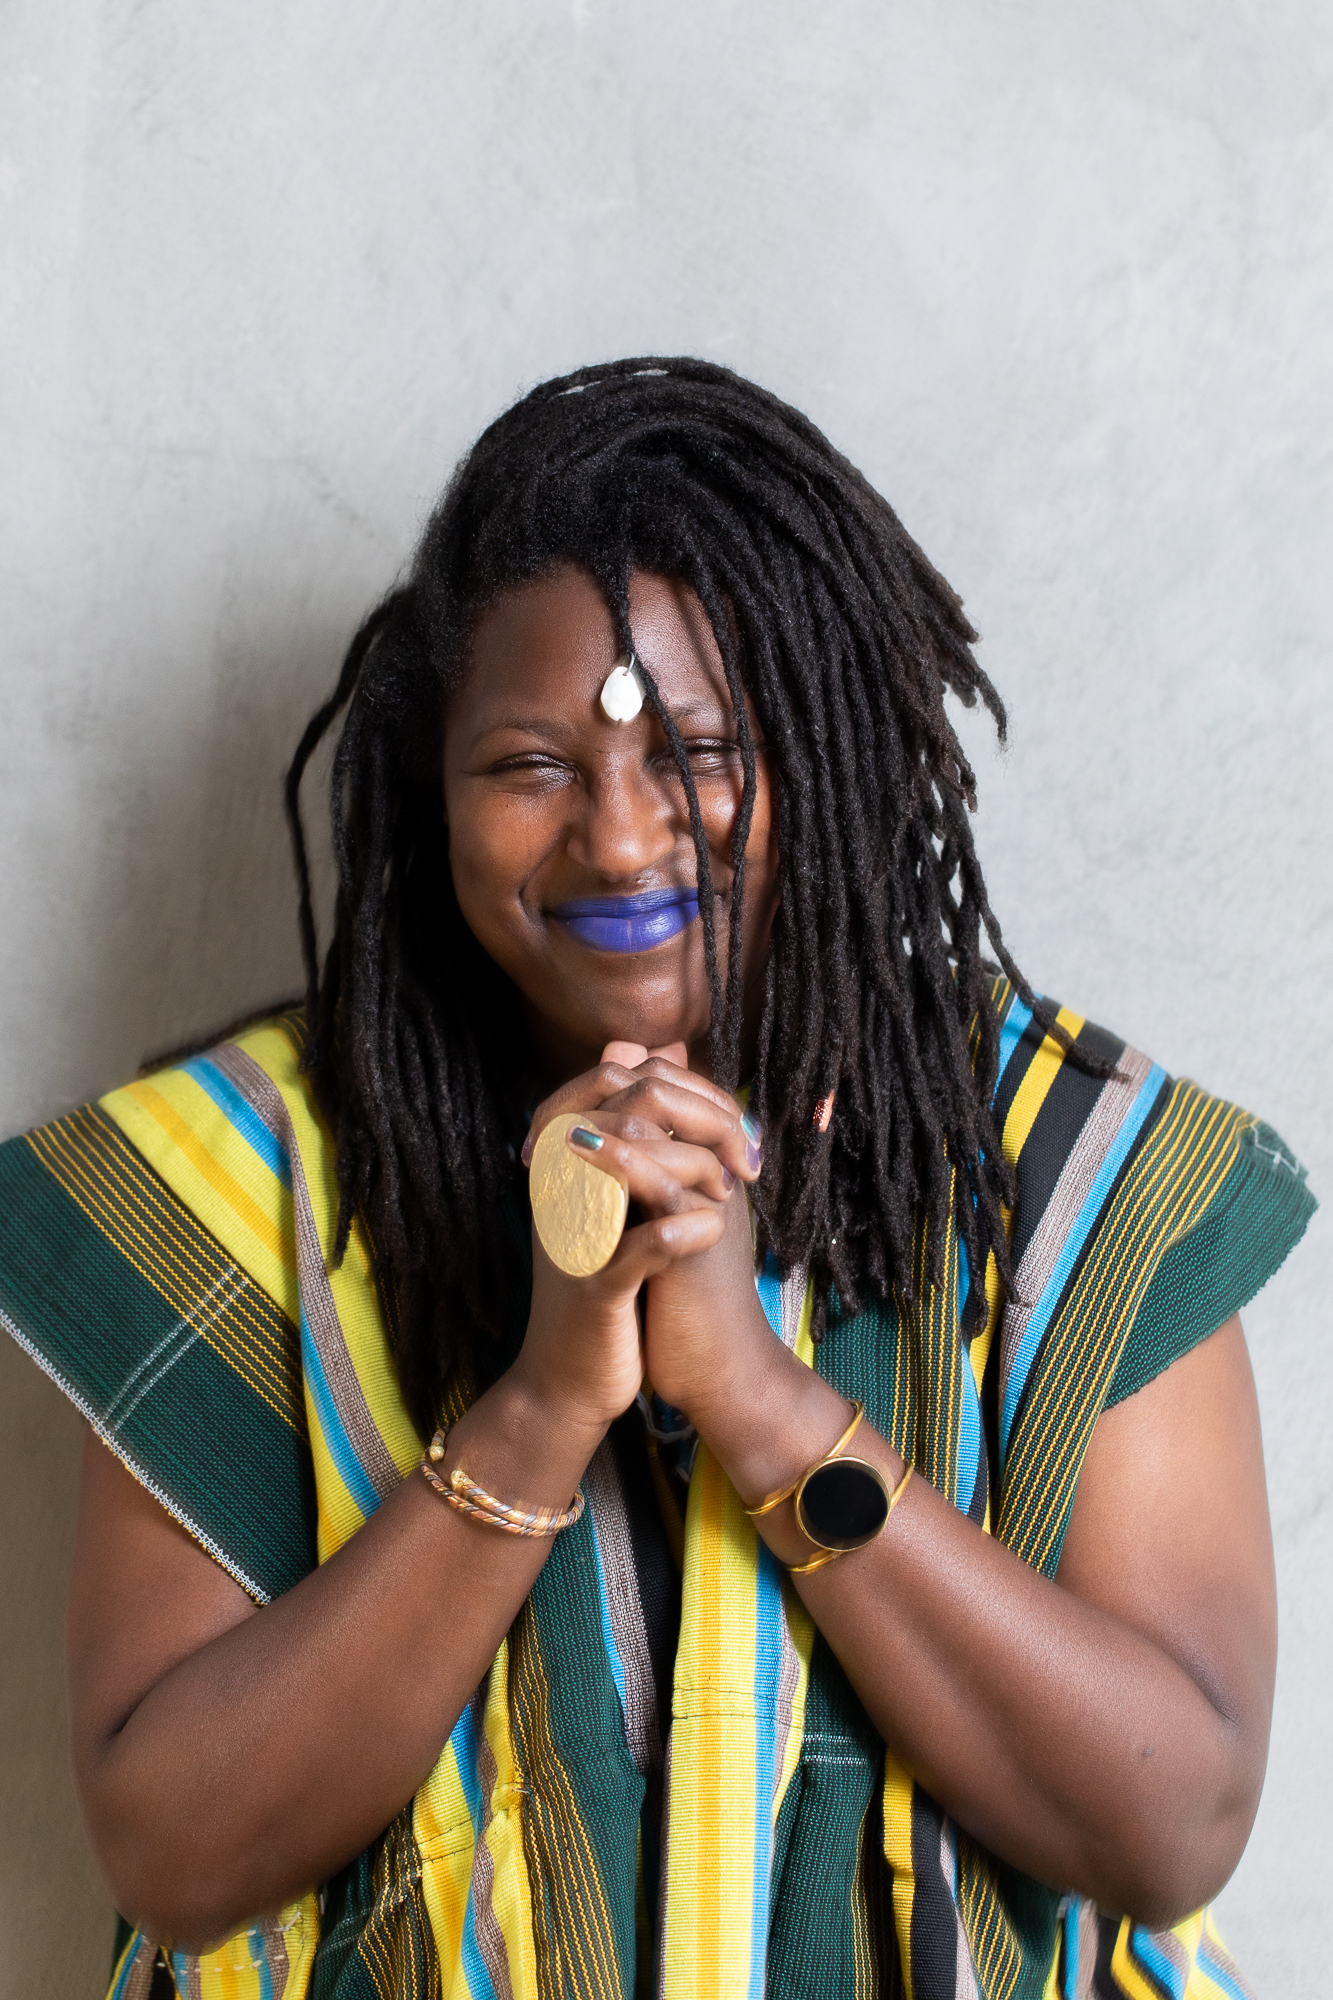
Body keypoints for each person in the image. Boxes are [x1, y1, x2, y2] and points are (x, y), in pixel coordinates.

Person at [0, 358, 1314, 2000]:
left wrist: (759, 1404)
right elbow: (177, 1855)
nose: (619, 839)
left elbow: (1173, 1823)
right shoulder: (255, 1172)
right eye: (527, 765)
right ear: (426, 787)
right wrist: (544, 1407)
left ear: (825, 759)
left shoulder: (1061, 1163)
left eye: (699, 751)